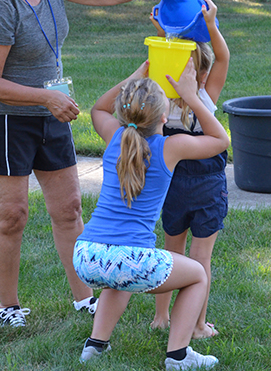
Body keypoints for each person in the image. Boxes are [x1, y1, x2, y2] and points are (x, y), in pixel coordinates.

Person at [0, 0, 175, 328]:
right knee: (11, 215)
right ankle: (9, 307)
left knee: (68, 209)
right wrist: (46, 100)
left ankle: (84, 298)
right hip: (5, 118)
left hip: (50, 109)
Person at [73, 57, 229, 369]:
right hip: (131, 258)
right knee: (197, 275)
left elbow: (98, 109)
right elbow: (221, 141)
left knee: (119, 279)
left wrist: (134, 78)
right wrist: (191, 97)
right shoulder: (170, 147)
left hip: (86, 256)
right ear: (163, 116)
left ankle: (96, 345)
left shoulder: (114, 136)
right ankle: (178, 355)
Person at [149, 0, 230, 338]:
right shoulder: (176, 101)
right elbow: (221, 57)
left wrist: (208, 26)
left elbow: (222, 57)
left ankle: (181, 320)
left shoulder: (185, 100)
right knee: (184, 258)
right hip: (188, 188)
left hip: (193, 189)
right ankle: (177, 320)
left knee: (188, 258)